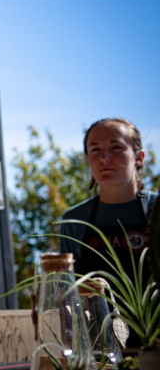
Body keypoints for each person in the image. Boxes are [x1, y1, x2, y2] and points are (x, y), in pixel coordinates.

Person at [58, 118, 158, 348]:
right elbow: (66, 295)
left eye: (116, 147)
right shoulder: (74, 221)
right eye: (95, 150)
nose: (105, 158)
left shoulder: (157, 210)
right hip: (100, 351)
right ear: (88, 161)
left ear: (139, 158)